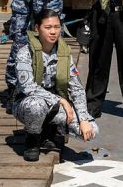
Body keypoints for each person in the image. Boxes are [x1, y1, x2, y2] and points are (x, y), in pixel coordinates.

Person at [13, 9, 99, 162]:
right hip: (27, 104)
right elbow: (28, 87)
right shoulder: (24, 53)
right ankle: (32, 139)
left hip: (54, 107)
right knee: (36, 106)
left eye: (57, 27)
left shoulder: (64, 53)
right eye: (48, 27)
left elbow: (77, 88)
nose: (53, 32)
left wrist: (84, 118)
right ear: (37, 29)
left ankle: (51, 130)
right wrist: (61, 100)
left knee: (91, 131)